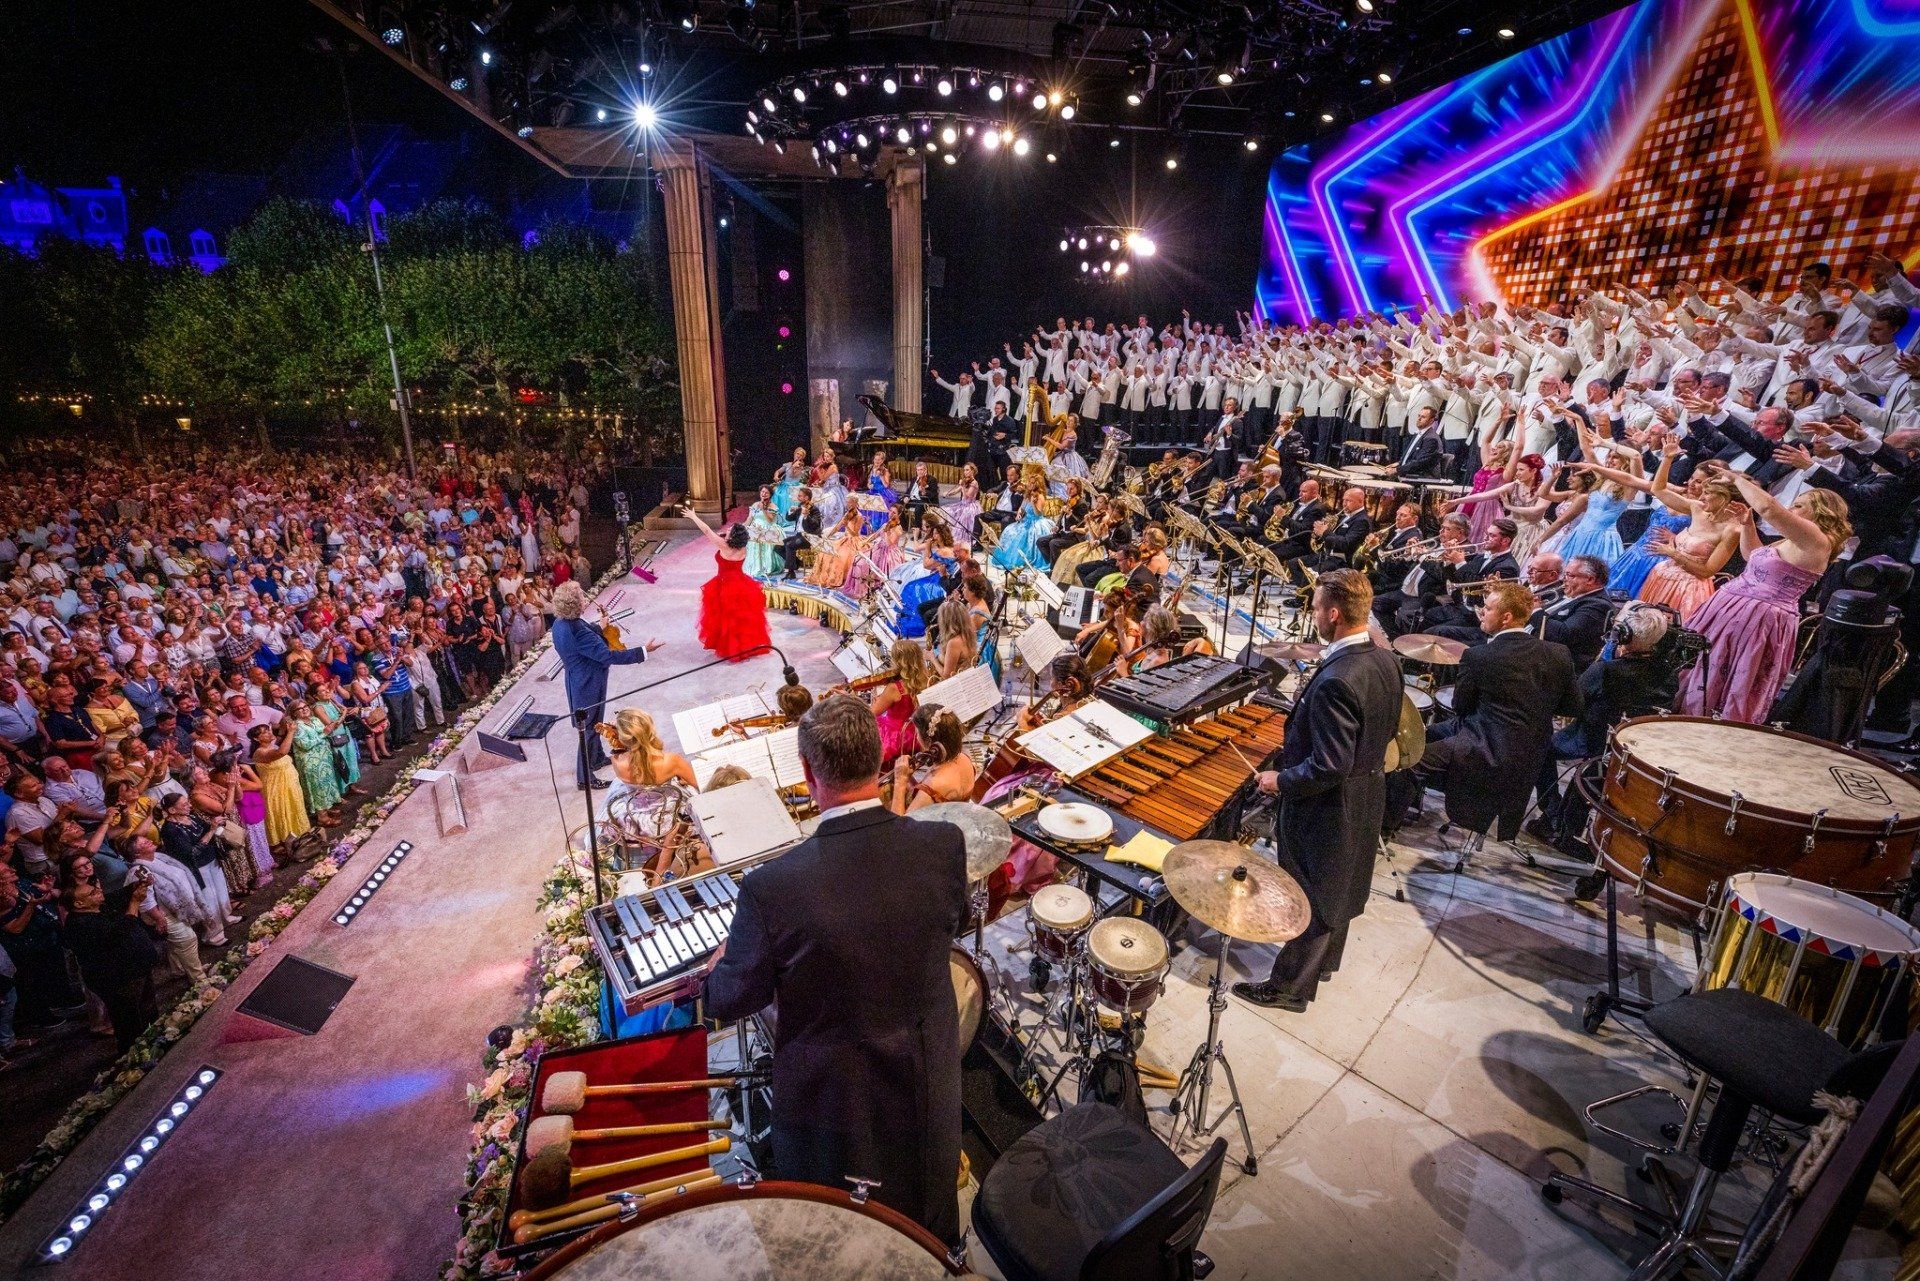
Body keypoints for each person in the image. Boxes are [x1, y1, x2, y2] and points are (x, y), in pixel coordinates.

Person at [702, 695, 969, 1246]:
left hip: (832, 1111)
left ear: (806, 774)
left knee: (838, 1240)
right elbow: (952, 922)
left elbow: (728, 999)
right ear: (879, 759)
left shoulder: (771, 888)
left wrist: (722, 966)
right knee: (928, 1227)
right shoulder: (945, 845)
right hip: (926, 1085)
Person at [1233, 571, 1402, 1012]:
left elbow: (1328, 765)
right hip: (1367, 794)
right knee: (1338, 887)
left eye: (1314, 607)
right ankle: (1324, 965)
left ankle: (1289, 988)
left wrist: (1279, 780)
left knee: (1309, 892)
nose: (1311, 615)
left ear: (1333, 613)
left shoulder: (1336, 680)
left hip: (1328, 807)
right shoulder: (1386, 660)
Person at [1403, 582, 1582, 840]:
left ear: (1506, 617)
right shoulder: (1559, 653)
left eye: (1487, 608)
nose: (1481, 612)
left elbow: (1460, 707)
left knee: (1410, 759)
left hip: (1485, 748)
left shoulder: (1479, 655)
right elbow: (1572, 707)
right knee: (1428, 735)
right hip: (1530, 755)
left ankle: (1390, 821)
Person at [1676, 474, 1851, 724]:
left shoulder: (1817, 539)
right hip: (1733, 606)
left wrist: (1735, 478)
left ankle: (1713, 723)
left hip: (1760, 617)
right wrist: (1747, 525)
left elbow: (1768, 507)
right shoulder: (1793, 539)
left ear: (1822, 512)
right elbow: (1752, 557)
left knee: (1733, 674)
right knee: (1706, 664)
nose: (1791, 509)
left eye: (1799, 505)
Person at [551, 580, 662, 790]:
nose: (586, 599)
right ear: (574, 604)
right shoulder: (577, 631)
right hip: (587, 683)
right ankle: (585, 778)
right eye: (582, 598)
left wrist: (599, 626)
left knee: (595, 722)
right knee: (588, 729)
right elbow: (607, 655)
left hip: (580, 679)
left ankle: (597, 757)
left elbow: (585, 631)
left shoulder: (562, 623)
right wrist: (643, 651)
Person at [60, 876, 160, 1052]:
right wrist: (135, 903)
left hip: (136, 970)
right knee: (130, 1023)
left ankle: (156, 1043)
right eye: (93, 892)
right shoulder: (80, 924)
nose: (99, 892)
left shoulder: (95, 908)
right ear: (79, 904)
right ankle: (137, 1059)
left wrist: (135, 886)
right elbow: (119, 933)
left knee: (148, 1010)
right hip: (119, 980)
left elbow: (115, 896)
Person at [887, 705, 976, 813]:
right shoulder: (964, 758)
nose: (917, 737)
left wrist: (899, 782)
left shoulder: (933, 786)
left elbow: (900, 828)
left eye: (917, 733)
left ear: (929, 742)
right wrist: (908, 778)